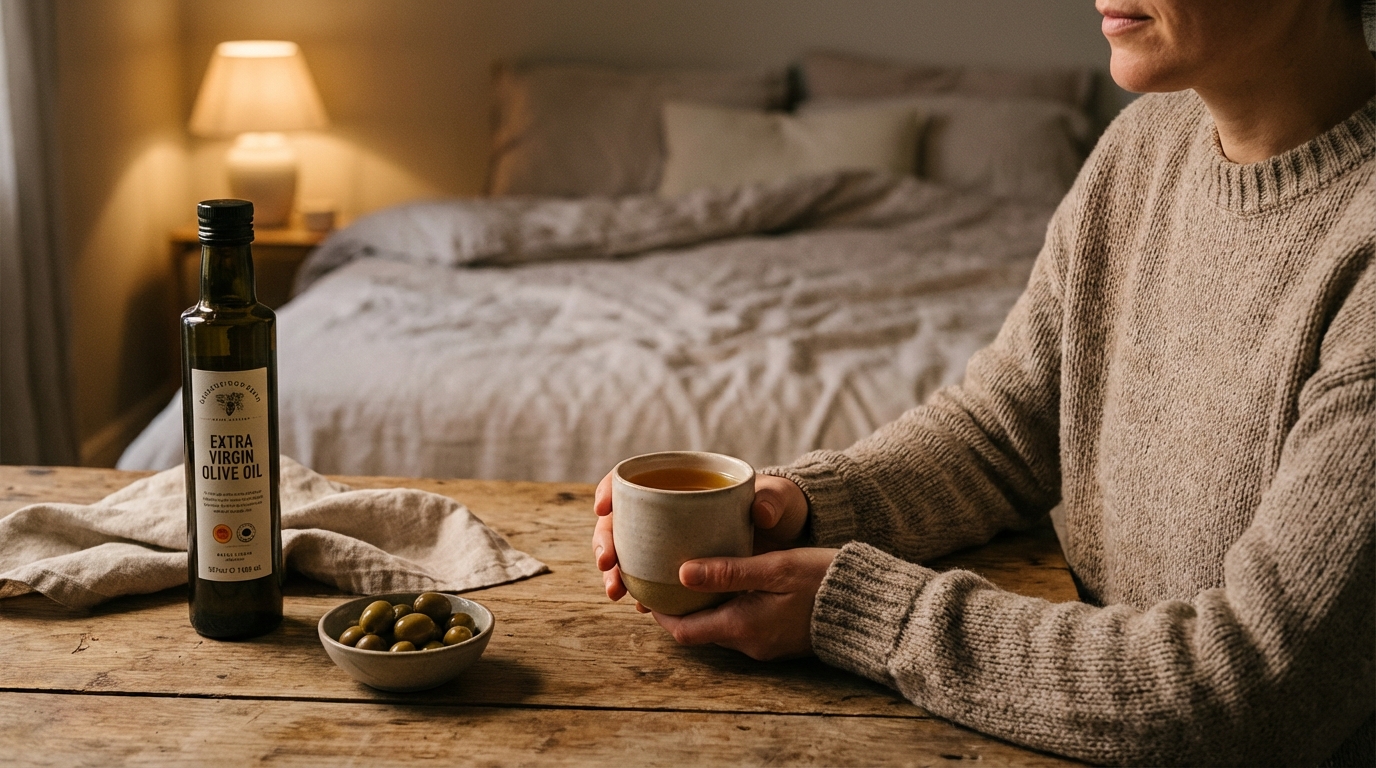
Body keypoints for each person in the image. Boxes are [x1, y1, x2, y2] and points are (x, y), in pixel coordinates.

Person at [592, 0, 1376, 764]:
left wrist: (861, 615)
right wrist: (797, 508)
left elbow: (1250, 687)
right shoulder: (1146, 143)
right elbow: (1002, 430)